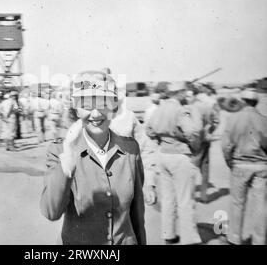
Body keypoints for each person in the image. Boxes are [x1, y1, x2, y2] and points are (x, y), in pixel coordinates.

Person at [40, 70, 146, 245]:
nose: (96, 114)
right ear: (75, 108)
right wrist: (66, 166)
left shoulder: (130, 149)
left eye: (103, 103)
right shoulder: (59, 150)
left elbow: (137, 216)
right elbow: (51, 212)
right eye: (87, 105)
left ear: (114, 106)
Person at [146, 81, 204, 245]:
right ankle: (189, 239)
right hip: (180, 155)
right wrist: (193, 146)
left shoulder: (159, 109)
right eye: (184, 92)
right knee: (185, 200)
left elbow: (149, 130)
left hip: (163, 155)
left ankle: (169, 235)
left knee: (168, 199)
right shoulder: (181, 110)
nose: (186, 95)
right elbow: (192, 131)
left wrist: (162, 139)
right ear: (178, 93)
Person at [221, 89, 267, 245]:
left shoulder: (234, 119)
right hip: (261, 166)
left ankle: (234, 238)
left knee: (237, 203)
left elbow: (226, 145)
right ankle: (259, 240)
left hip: (239, 165)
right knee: (260, 205)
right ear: (256, 102)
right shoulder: (264, 120)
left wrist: (230, 162)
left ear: (243, 101)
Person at [186, 85, 220, 203]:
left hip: (193, 143)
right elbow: (216, 120)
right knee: (205, 169)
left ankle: (190, 196)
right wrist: (210, 130)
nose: (187, 97)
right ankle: (204, 196)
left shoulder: (187, 109)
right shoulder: (207, 106)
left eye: (189, 95)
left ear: (195, 96)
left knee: (191, 169)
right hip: (205, 141)